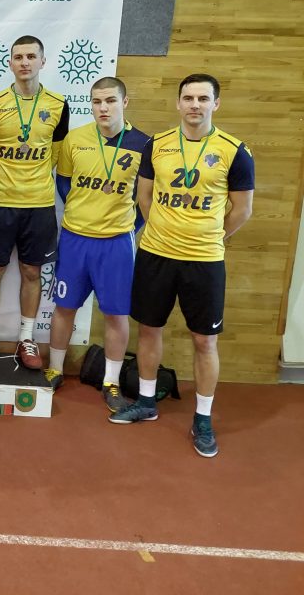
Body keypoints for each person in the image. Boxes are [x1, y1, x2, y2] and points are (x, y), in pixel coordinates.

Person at [110, 73, 254, 459]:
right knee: (149, 329)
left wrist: (210, 236)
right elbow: (144, 197)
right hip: (156, 254)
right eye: (188, 98)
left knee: (204, 341)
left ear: (215, 104)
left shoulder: (234, 151)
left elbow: (242, 209)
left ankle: (203, 419)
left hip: (204, 260)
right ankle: (146, 401)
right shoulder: (157, 145)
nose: (195, 105)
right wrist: (164, 229)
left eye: (203, 99)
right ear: (178, 103)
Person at [46, 77, 148, 411]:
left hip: (116, 244)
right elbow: (64, 183)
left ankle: (111, 382)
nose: (103, 108)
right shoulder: (75, 139)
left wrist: (126, 226)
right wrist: (83, 212)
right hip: (75, 239)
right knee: (64, 307)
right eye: (96, 101)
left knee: (116, 314)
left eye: (110, 101)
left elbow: (145, 198)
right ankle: (55, 370)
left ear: (124, 102)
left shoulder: (143, 145)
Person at [0, 36, 69, 369]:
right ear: (10, 63)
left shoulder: (59, 104)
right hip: (0, 203)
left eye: (31, 56)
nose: (25, 62)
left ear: (43, 61)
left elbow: (56, 153)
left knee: (32, 271)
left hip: (39, 204)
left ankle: (27, 338)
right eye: (18, 57)